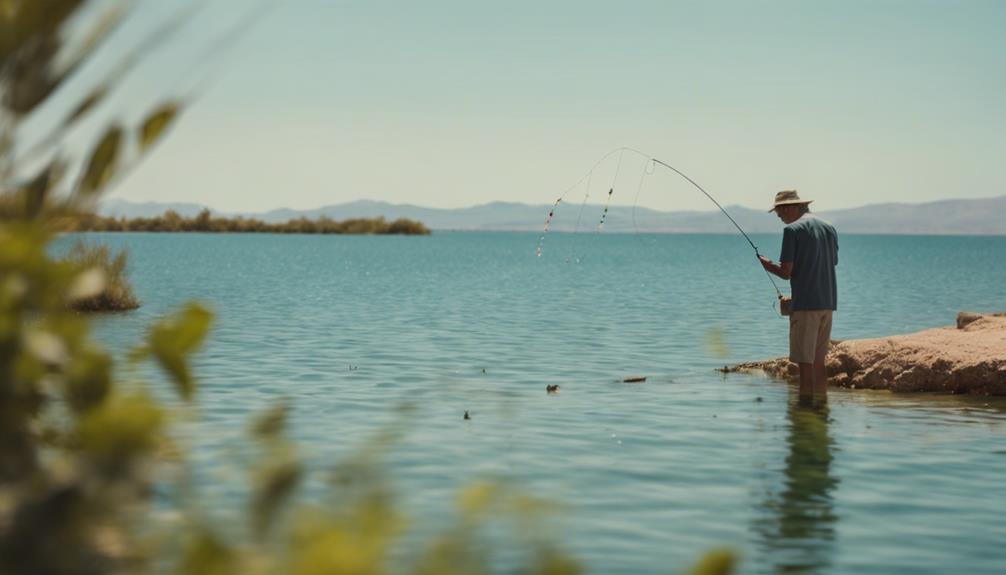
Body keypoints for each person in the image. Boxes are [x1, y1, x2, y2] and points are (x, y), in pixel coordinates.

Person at [758, 190, 838, 397]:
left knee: (805, 364)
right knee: (819, 362)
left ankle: (804, 411)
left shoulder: (792, 231)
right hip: (828, 303)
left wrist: (767, 266)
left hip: (805, 308)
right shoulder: (829, 227)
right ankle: (821, 407)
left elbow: (786, 273)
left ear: (790, 207)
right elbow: (831, 263)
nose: (779, 218)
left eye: (779, 213)